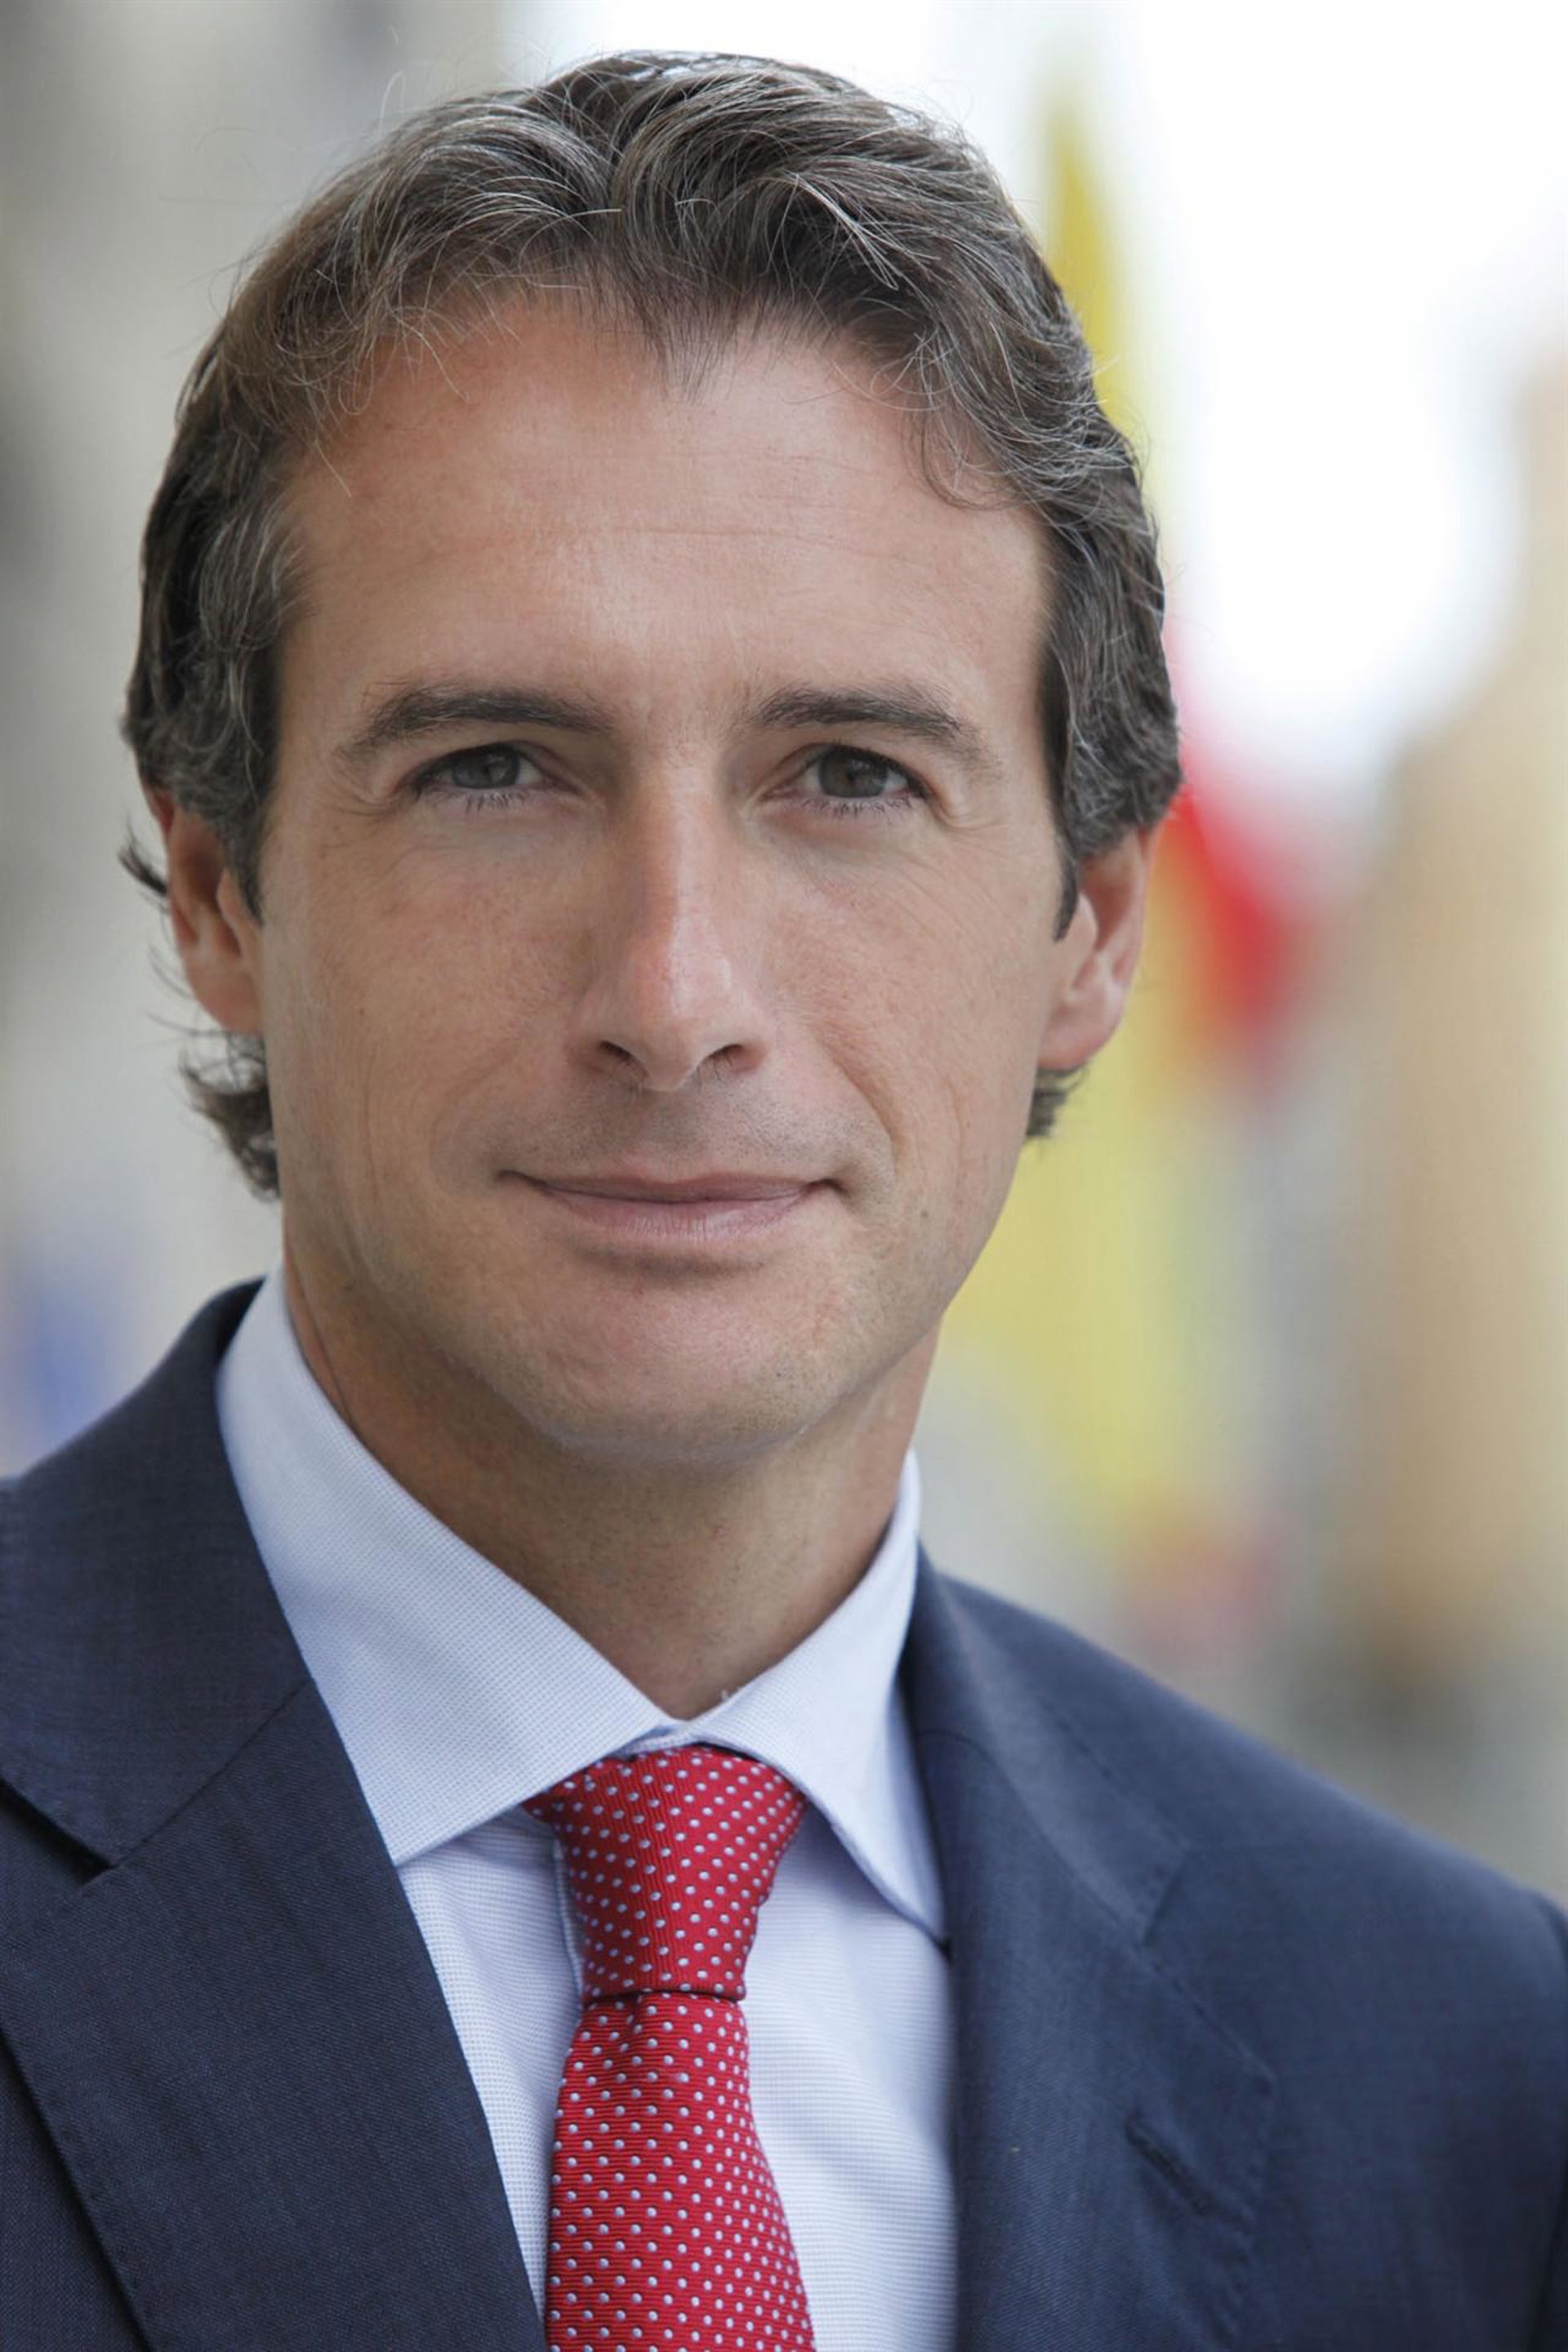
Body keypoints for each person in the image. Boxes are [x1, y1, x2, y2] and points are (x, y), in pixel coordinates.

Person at [0, 50, 1561, 2352]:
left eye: (847, 775)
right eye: (497, 769)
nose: (676, 996)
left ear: (1093, 925)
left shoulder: (1457, 2073)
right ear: (223, 891)